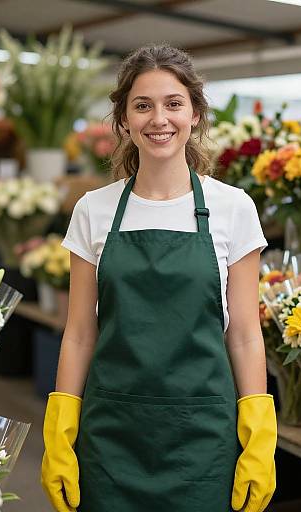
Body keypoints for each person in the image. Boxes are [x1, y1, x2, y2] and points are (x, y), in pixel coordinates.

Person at [41, 44, 277, 512]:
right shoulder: (94, 209)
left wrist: (258, 432)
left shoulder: (233, 208)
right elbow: (80, 334)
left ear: (194, 114)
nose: (159, 119)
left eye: (173, 104)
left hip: (203, 435)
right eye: (142, 105)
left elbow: (247, 335)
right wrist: (61, 425)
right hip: (111, 433)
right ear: (124, 120)